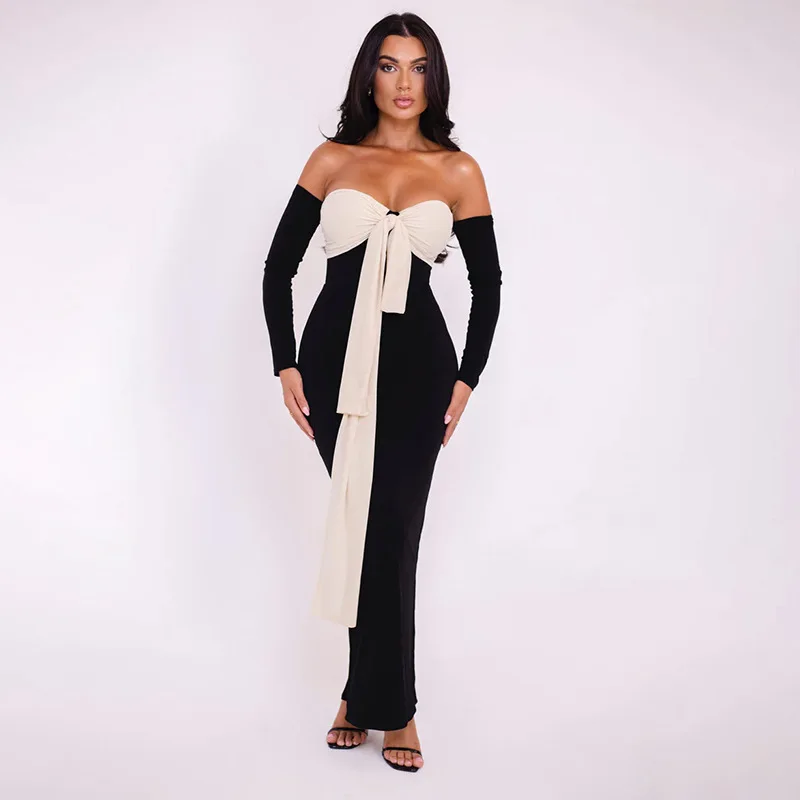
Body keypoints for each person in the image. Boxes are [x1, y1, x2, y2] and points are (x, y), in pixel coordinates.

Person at [261, 12, 502, 774]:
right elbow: (277, 268)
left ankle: (384, 706)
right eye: (391, 65)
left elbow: (489, 284)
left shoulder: (458, 171)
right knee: (359, 526)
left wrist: (467, 377)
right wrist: (286, 364)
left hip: (418, 372)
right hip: (332, 368)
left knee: (393, 531)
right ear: (369, 74)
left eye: (419, 67)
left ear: (435, 78)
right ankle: (368, 697)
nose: (405, 82)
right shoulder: (332, 159)